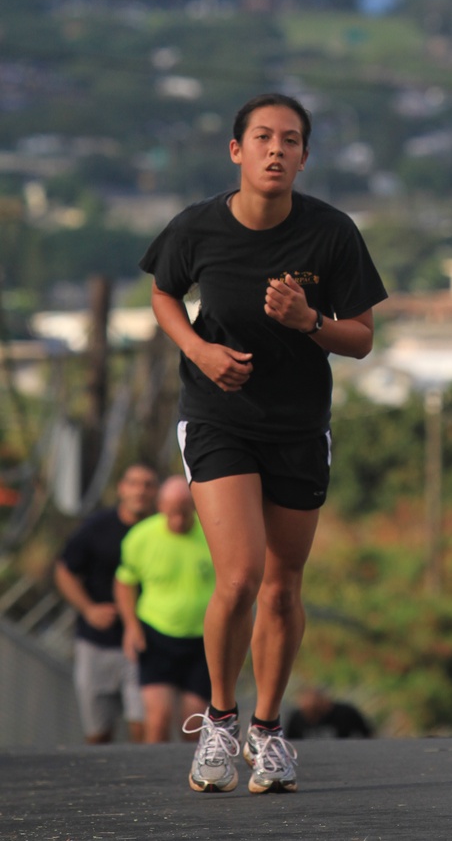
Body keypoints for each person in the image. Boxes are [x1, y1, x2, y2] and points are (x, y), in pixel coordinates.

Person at [139, 92, 386, 795]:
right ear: (237, 151)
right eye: (264, 138)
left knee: (282, 589)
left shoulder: (331, 234)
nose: (277, 150)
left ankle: (268, 734)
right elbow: (163, 293)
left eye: (291, 140)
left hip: (299, 427)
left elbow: (362, 338)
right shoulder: (198, 228)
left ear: (305, 156)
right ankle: (219, 721)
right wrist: (197, 349)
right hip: (218, 417)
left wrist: (310, 320)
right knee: (241, 576)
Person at [55, 461, 159, 744]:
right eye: (134, 483)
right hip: (97, 641)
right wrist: (89, 609)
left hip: (144, 644)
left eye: (148, 484)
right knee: (98, 734)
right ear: (121, 489)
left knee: (144, 726)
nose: (141, 491)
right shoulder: (96, 528)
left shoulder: (162, 530)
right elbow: (65, 570)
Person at [114, 475, 214, 743]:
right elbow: (125, 583)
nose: (179, 521)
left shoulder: (213, 534)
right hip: (157, 635)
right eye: (172, 514)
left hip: (202, 640)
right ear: (161, 507)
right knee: (158, 719)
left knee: (193, 722)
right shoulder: (141, 537)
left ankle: (197, 775)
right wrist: (132, 627)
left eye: (184, 513)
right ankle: (153, 780)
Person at [285, 687, 373, 741]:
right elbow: (290, 741)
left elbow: (367, 733)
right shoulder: (296, 719)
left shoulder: (345, 713)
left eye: (314, 710)